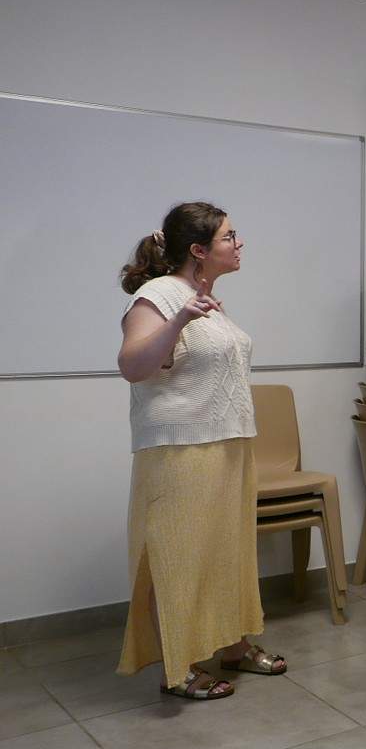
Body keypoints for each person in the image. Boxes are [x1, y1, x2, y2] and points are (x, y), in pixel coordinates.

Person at [116, 202, 285, 700]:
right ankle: (178, 669)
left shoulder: (203, 296)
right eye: (229, 236)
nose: (239, 243)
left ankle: (234, 645)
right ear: (198, 250)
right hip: (180, 449)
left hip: (228, 442)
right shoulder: (157, 296)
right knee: (178, 556)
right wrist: (176, 323)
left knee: (226, 553)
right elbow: (132, 366)